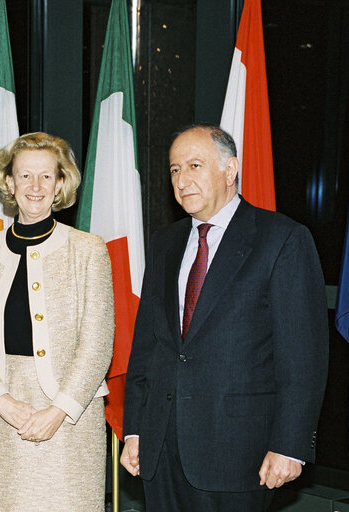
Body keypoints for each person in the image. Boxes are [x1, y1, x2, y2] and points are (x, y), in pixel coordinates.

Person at [121, 124, 328, 511]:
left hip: (238, 454)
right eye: (175, 169)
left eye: (195, 165)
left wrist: (290, 445)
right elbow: (147, 348)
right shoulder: (165, 243)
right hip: (159, 450)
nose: (182, 180)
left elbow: (303, 357)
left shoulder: (282, 239)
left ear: (230, 170)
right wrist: (134, 428)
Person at [0, 132, 115, 511]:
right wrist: (2, 403)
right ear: (9, 182)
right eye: (25, 176)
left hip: (72, 422)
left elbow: (97, 341)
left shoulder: (89, 250)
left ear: (61, 183)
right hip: (5, 420)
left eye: (46, 176)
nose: (35, 186)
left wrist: (59, 410)